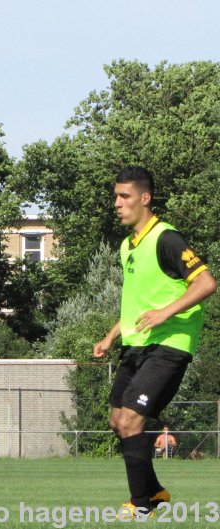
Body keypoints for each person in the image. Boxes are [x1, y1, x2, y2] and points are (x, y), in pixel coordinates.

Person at [93, 167, 216, 517]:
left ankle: (140, 505)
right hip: (137, 344)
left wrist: (165, 313)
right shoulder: (127, 246)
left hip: (170, 343)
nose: (117, 203)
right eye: (115, 196)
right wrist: (111, 335)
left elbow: (206, 283)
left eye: (125, 196)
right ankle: (156, 491)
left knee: (132, 420)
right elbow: (137, 303)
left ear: (145, 198)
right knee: (117, 420)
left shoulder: (167, 239)